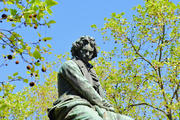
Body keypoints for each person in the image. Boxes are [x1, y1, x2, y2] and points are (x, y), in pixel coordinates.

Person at [48, 36, 133, 120]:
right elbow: (84, 87)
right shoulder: (69, 65)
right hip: (73, 105)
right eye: (85, 51)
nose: (87, 54)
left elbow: (100, 96)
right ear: (78, 50)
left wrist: (108, 108)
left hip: (94, 107)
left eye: (90, 52)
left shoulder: (92, 72)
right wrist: (103, 104)